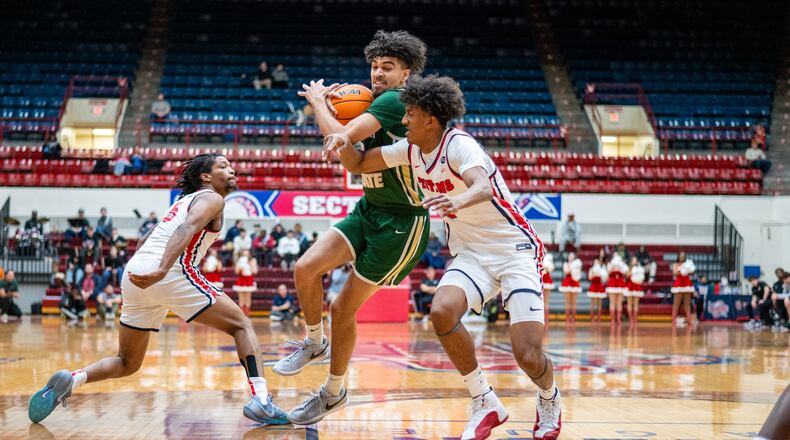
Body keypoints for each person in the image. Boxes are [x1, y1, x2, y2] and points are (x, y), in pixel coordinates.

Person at [323, 74, 561, 440]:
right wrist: (338, 132)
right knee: (441, 311)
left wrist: (459, 199)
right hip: (471, 254)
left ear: (430, 120)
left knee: (528, 355)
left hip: (514, 251)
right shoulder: (410, 150)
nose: (402, 122)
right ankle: (484, 400)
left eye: (409, 115)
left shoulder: (460, 146)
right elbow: (357, 164)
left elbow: (482, 185)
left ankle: (549, 397)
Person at [28, 153, 288, 425]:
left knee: (127, 362)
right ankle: (261, 400)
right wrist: (162, 270)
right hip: (169, 271)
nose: (232, 170)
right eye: (223, 166)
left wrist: (150, 277)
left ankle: (73, 379)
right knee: (241, 326)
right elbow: (188, 227)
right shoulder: (211, 197)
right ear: (206, 177)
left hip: (136, 272)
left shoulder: (180, 203)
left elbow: (143, 239)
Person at [272, 31, 431, 428]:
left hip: (402, 222)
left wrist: (320, 105)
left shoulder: (398, 102)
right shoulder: (376, 102)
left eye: (387, 67)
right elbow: (355, 164)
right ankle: (314, 341)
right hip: (369, 208)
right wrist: (332, 119)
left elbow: (343, 140)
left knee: (343, 308)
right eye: (374, 66)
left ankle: (333, 390)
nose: (378, 73)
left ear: (406, 74)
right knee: (305, 268)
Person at [671, 251, 696, 328]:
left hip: (687, 284)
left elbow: (692, 272)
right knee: (676, 304)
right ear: (678, 257)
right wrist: (682, 270)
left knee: (687, 305)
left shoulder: (688, 264)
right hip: (678, 284)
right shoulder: (675, 264)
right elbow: (675, 273)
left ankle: (689, 321)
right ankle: (674, 321)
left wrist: (689, 269)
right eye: (681, 256)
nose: (682, 257)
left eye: (683, 256)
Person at [559, 252, 582, 323]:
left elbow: (578, 274)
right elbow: (566, 271)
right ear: (568, 257)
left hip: (575, 282)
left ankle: (573, 318)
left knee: (574, 302)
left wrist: (573, 269)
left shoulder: (577, 264)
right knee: (567, 302)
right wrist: (572, 268)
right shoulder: (566, 264)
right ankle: (567, 318)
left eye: (572, 256)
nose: (571, 257)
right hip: (567, 282)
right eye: (570, 256)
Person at [233, 249, 258, 317]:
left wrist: (250, 264)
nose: (245, 255)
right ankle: (242, 314)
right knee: (241, 297)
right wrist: (240, 268)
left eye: (247, 253)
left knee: (248, 297)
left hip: (249, 279)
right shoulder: (239, 260)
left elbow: (255, 271)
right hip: (241, 279)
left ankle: (247, 314)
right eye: (244, 253)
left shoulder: (253, 260)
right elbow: (237, 272)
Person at [606, 253, 628, 326]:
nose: (616, 255)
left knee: (619, 302)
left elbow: (627, 273)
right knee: (612, 302)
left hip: (620, 283)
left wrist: (620, 267)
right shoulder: (610, 264)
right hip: (612, 283)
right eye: (614, 255)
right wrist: (613, 266)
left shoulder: (622, 264)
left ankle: (618, 319)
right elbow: (608, 272)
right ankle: (612, 319)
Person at [624, 256, 645, 326]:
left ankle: (635, 319)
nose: (634, 261)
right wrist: (632, 271)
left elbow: (641, 279)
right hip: (630, 286)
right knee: (629, 303)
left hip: (637, 287)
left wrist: (638, 272)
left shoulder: (640, 269)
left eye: (635, 260)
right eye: (633, 260)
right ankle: (630, 319)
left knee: (636, 304)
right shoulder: (628, 268)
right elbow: (627, 277)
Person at [586, 258, 607, 323]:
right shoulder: (591, 269)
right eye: (595, 262)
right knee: (592, 303)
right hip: (593, 285)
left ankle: (599, 317)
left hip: (599, 286)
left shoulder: (602, 269)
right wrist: (594, 274)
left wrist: (601, 274)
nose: (596, 263)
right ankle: (592, 318)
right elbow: (589, 277)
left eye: (597, 262)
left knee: (599, 303)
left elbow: (604, 278)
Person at [541, 253, 555, 325]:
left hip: (548, 280)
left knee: (546, 301)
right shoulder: (540, 258)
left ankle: (546, 318)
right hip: (541, 279)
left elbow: (551, 268)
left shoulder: (549, 259)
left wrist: (547, 268)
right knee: (541, 301)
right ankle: (541, 317)